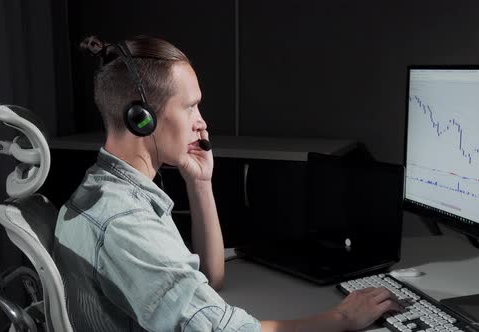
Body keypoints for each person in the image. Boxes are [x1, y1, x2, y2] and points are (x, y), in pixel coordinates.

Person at [53, 35, 399, 332]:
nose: (201, 122)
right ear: (141, 117)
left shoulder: (108, 188)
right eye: (190, 107)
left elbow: (211, 279)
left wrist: (201, 184)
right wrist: (342, 317)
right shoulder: (125, 222)